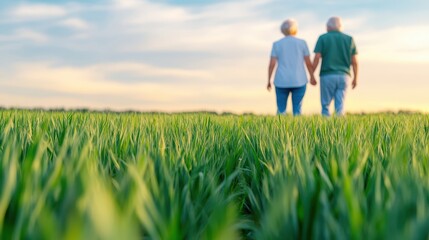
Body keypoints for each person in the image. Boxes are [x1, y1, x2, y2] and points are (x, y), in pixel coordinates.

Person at [267, 19, 316, 115]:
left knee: (281, 109)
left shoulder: (277, 44)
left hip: (281, 80)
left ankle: (279, 129)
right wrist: (312, 76)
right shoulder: (302, 43)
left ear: (282, 30)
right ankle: (297, 129)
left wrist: (269, 80)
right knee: (297, 109)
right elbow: (308, 63)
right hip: (299, 80)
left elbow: (272, 64)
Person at [313, 16, 359, 116]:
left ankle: (325, 128)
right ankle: (340, 128)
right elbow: (354, 61)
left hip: (327, 75)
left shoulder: (323, 38)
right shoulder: (349, 39)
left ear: (328, 27)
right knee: (340, 105)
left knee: (325, 105)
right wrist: (355, 78)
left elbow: (317, 57)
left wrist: (311, 74)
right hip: (344, 75)